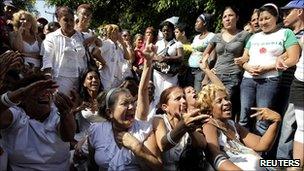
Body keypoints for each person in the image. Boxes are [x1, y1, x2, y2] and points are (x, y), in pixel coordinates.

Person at [88, 44, 162, 170]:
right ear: (109, 112)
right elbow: (92, 164)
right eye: (124, 104)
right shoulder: (96, 130)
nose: (131, 107)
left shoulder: (142, 130)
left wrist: (137, 147)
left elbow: (158, 167)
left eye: (132, 103)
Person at [237, 4, 300, 135]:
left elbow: (293, 58)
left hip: (269, 81)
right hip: (248, 80)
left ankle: (262, 151)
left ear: (276, 17)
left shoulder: (285, 33)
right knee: (244, 116)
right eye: (260, 19)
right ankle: (242, 149)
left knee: (263, 119)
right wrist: (247, 66)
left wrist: (267, 68)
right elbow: (243, 58)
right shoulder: (254, 36)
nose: (263, 22)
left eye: (267, 18)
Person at [0, 73, 76, 171]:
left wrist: (66, 113)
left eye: (48, 91)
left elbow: (68, 136)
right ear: (23, 98)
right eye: (39, 91)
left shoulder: (57, 114)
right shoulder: (16, 114)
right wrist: (20, 93)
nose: (45, 94)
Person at [198, 84, 281, 170]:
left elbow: (261, 145)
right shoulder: (209, 126)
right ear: (208, 109)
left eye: (226, 99)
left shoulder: (232, 125)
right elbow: (215, 156)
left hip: (260, 165)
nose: (226, 103)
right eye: (219, 101)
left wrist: (276, 121)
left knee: (291, 164)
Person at [202, 6, 250, 120]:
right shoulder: (217, 36)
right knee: (210, 106)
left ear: (237, 18)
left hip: (233, 77)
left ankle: (229, 135)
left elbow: (248, 55)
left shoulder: (245, 35)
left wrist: (244, 59)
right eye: (224, 17)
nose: (227, 19)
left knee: (225, 109)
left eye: (230, 15)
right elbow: (205, 55)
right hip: (215, 76)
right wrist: (208, 68)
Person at [153, 85, 209, 171]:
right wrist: (183, 126)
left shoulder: (190, 119)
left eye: (184, 97)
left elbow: (202, 144)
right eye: (178, 99)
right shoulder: (159, 119)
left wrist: (191, 130)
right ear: (165, 107)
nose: (183, 101)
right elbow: (163, 145)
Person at [276, 0, 304, 169]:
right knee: (299, 128)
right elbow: (296, 49)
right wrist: (282, 57)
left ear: (300, 12)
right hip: (299, 83)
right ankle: (293, 166)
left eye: (288, 12)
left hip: (294, 84)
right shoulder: (296, 35)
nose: (284, 16)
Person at [41, 6, 87, 95]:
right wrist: (48, 80)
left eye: (71, 20)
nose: (69, 23)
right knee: (61, 105)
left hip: (81, 79)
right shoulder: (51, 37)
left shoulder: (81, 36)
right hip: (61, 80)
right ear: (58, 20)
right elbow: (47, 60)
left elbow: (98, 44)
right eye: (66, 20)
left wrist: (94, 38)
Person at [153, 21, 184, 104]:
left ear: (172, 31)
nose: (166, 32)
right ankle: (157, 113)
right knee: (157, 93)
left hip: (171, 74)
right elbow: (153, 56)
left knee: (170, 93)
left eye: (168, 30)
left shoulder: (177, 44)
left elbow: (181, 57)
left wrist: (167, 58)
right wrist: (157, 58)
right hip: (158, 73)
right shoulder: (158, 43)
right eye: (164, 30)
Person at [97, 24, 133, 90]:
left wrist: (122, 43)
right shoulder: (107, 43)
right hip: (107, 76)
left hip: (116, 79)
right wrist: (103, 62)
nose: (118, 34)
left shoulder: (118, 46)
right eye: (115, 32)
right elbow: (96, 52)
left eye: (118, 32)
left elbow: (127, 57)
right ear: (110, 33)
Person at [188, 13, 215, 91]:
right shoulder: (196, 37)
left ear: (205, 23)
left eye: (197, 21)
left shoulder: (211, 36)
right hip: (190, 70)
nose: (195, 24)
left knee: (198, 94)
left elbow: (212, 57)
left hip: (200, 72)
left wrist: (207, 75)